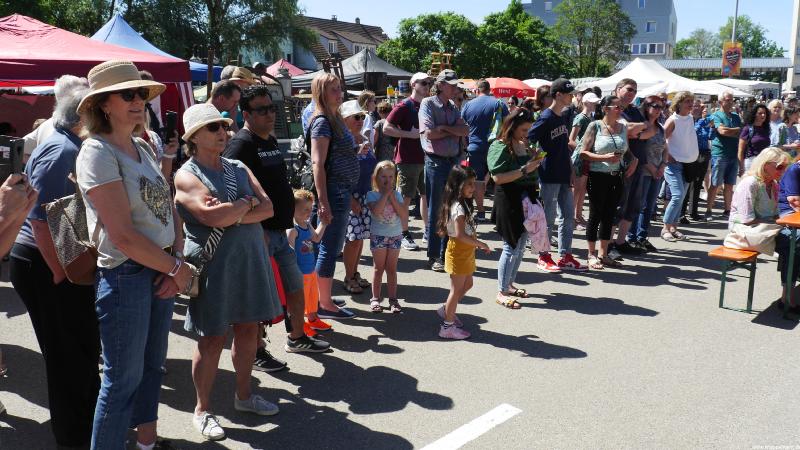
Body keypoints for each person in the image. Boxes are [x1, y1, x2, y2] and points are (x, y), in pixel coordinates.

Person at [75, 60, 192, 450]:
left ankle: (146, 443)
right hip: (128, 275)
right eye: (128, 94)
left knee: (152, 368)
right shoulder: (96, 152)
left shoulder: (141, 145)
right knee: (122, 380)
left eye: (141, 92)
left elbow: (166, 202)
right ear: (102, 104)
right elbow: (122, 236)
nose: (139, 100)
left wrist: (175, 255)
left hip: (158, 267)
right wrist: (177, 268)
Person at [174, 103, 282, 440]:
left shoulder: (237, 166)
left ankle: (245, 396)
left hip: (249, 259)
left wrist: (236, 208)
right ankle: (202, 410)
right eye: (213, 128)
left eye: (223, 126)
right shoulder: (187, 174)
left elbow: (269, 207)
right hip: (214, 266)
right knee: (211, 339)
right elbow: (212, 218)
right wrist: (246, 205)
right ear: (193, 137)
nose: (222, 132)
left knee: (250, 331)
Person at [222, 85, 330, 369]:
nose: (270, 114)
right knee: (261, 297)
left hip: (281, 232)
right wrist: (254, 228)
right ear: (246, 113)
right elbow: (233, 193)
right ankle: (255, 350)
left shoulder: (268, 140)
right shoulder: (241, 145)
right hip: (259, 234)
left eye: (272, 108)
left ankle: (296, 337)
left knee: (294, 287)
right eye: (262, 110)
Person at [8, 80, 83, 446]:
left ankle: (81, 428)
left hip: (51, 260)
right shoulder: (64, 152)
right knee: (67, 356)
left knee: (74, 353)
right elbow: (40, 222)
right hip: (45, 262)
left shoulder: (72, 146)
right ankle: (74, 436)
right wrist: (62, 272)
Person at [308, 73, 360, 319]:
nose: (339, 94)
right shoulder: (322, 121)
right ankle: (324, 304)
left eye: (339, 89)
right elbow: (317, 164)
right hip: (333, 191)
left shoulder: (333, 118)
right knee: (329, 248)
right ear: (321, 93)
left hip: (340, 189)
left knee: (325, 247)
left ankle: (322, 296)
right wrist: (323, 201)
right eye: (333, 90)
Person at [528, 78, 586, 272]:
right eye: (569, 94)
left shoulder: (561, 116)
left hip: (563, 173)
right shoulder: (545, 117)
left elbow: (562, 147)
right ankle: (543, 256)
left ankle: (565, 255)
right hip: (549, 174)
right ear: (558, 95)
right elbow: (528, 139)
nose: (572, 97)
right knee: (548, 217)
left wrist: (570, 169)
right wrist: (538, 157)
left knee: (568, 216)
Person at [488, 108, 542, 307]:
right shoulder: (499, 146)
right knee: (510, 247)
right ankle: (501, 291)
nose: (527, 133)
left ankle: (509, 284)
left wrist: (535, 159)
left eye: (529, 130)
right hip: (509, 200)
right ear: (512, 127)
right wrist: (525, 168)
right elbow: (498, 177)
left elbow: (529, 172)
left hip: (527, 198)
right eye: (524, 129)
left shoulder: (524, 144)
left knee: (520, 247)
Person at [419, 69, 469, 272]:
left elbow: (465, 130)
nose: (455, 88)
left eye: (456, 84)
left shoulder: (452, 107)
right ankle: (434, 256)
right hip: (436, 162)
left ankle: (444, 252)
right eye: (451, 84)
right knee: (436, 209)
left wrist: (445, 129)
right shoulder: (428, 104)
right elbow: (430, 134)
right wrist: (451, 130)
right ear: (440, 85)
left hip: (452, 161)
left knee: (451, 208)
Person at [437, 165, 490, 339]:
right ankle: (447, 326)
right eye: (469, 184)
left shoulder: (462, 204)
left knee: (468, 284)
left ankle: (446, 310)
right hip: (459, 251)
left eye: (473, 183)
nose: (473, 188)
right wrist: (480, 243)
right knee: (456, 289)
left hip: (465, 251)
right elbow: (460, 235)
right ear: (458, 185)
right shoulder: (458, 208)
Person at [580, 95, 629, 269]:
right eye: (617, 107)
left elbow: (625, 150)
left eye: (621, 107)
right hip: (597, 175)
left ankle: (604, 253)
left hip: (616, 176)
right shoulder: (595, 126)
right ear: (606, 108)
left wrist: (632, 162)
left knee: (609, 215)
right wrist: (603, 157)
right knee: (595, 215)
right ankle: (591, 255)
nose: (620, 110)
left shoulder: (623, 127)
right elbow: (583, 153)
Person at [384, 72, 431, 251]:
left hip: (426, 158)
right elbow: (387, 128)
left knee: (426, 196)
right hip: (407, 159)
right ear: (413, 84)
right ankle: (403, 233)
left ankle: (427, 230)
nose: (427, 85)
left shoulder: (427, 104)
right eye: (423, 82)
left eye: (429, 82)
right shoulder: (405, 105)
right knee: (405, 198)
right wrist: (408, 134)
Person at [609, 79, 655, 259]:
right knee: (616, 206)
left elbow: (652, 130)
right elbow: (623, 129)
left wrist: (637, 130)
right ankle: (608, 244)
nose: (632, 93)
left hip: (638, 164)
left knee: (633, 206)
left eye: (635, 91)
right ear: (618, 89)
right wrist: (638, 129)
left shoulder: (634, 110)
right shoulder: (611, 105)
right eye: (629, 89)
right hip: (620, 164)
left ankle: (621, 242)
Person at [340, 100, 377, 294]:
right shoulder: (343, 141)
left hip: (365, 195)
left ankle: (354, 273)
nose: (361, 120)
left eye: (362, 116)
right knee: (353, 239)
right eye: (356, 117)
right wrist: (351, 199)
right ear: (344, 119)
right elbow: (340, 172)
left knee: (360, 238)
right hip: (351, 196)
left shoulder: (364, 138)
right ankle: (348, 276)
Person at [461, 79, 509, 222]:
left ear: (477, 90)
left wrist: (465, 145)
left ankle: (481, 212)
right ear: (489, 89)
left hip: (474, 148)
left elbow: (462, 128)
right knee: (500, 179)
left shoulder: (468, 105)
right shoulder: (499, 103)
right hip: (496, 148)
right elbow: (507, 125)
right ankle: (499, 213)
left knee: (478, 181)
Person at [287, 189, 331, 334]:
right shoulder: (293, 229)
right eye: (304, 209)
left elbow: (316, 238)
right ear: (293, 208)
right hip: (300, 272)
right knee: (301, 301)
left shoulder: (306, 224)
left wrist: (323, 223)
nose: (308, 212)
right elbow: (289, 252)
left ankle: (313, 320)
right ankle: (301, 325)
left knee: (313, 298)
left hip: (310, 270)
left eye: (310, 209)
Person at [365, 160, 405, 313]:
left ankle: (393, 299)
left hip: (395, 236)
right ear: (376, 178)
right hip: (379, 236)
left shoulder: (397, 195)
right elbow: (376, 211)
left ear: (394, 178)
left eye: (390, 176)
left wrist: (393, 197)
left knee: (392, 269)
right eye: (383, 177)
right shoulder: (372, 195)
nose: (387, 180)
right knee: (378, 269)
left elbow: (402, 214)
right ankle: (375, 299)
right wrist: (386, 194)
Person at [628, 95, 666, 251]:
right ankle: (631, 237)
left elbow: (665, 148)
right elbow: (639, 149)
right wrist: (651, 168)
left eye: (660, 107)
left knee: (649, 207)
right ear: (646, 106)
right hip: (643, 170)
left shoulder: (660, 127)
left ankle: (642, 237)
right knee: (638, 205)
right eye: (654, 106)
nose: (658, 110)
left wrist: (663, 165)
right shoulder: (641, 126)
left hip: (657, 171)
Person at [662, 91, 699, 242]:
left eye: (691, 101)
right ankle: (665, 228)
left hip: (689, 163)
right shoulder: (673, 120)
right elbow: (661, 138)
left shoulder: (690, 118)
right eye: (687, 101)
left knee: (682, 197)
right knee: (677, 195)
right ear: (679, 103)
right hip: (674, 164)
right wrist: (667, 155)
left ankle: (673, 228)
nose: (690, 104)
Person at [707, 90, 742, 219]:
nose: (731, 102)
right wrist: (736, 130)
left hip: (733, 153)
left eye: (732, 99)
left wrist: (731, 131)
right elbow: (722, 131)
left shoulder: (736, 116)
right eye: (728, 99)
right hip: (720, 153)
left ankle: (727, 210)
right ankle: (709, 210)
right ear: (721, 101)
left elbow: (741, 131)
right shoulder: (716, 115)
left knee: (729, 184)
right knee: (715, 184)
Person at [568, 92, 600, 228]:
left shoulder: (591, 118)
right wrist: (583, 151)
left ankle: (578, 214)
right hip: (580, 158)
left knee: (582, 189)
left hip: (587, 158)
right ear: (586, 102)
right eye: (593, 102)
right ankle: (571, 216)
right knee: (577, 189)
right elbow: (571, 140)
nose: (595, 104)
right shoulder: (580, 118)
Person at [681, 100, 714, 222]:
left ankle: (693, 211)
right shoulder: (688, 119)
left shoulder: (704, 120)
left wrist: (712, 127)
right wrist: (702, 121)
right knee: (688, 183)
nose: (698, 109)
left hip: (704, 153)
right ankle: (681, 213)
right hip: (691, 154)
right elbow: (693, 132)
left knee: (698, 183)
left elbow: (710, 136)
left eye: (700, 107)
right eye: (695, 106)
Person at [738, 103, 771, 174]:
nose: (763, 115)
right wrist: (741, 168)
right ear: (754, 114)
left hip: (764, 162)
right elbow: (740, 150)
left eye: (764, 113)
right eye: (760, 113)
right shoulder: (747, 129)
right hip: (751, 162)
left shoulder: (766, 129)